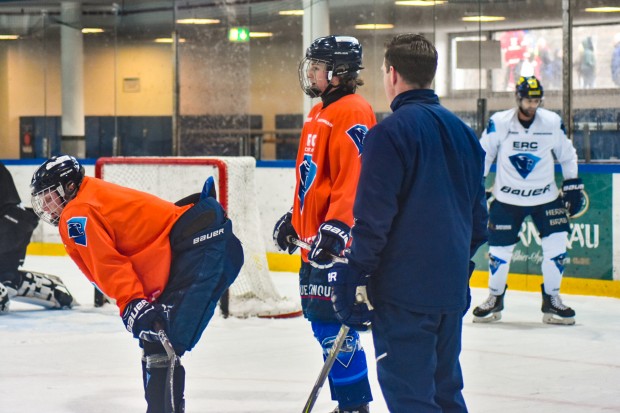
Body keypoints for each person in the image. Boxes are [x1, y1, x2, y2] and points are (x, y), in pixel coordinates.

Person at [325, 33, 488, 413]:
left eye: (384, 71)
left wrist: (356, 274)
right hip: (450, 290)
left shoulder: (389, 134)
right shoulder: (465, 135)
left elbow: (373, 218)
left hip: (404, 295)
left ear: (393, 74)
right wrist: (456, 267)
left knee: (410, 397)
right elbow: (480, 222)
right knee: (446, 394)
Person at [30, 154, 244, 413]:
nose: (47, 206)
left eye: (50, 196)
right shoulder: (89, 195)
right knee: (156, 341)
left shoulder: (77, 212)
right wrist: (135, 300)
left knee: (165, 343)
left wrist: (132, 300)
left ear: (69, 187)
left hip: (202, 249)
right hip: (200, 244)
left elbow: (107, 263)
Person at [272, 35, 376, 413]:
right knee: (324, 326)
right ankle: (351, 403)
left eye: (318, 66)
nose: (311, 72)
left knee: (334, 329)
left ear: (339, 72)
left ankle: (353, 406)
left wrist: (337, 226)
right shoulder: (318, 113)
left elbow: (354, 176)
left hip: (335, 247)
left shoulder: (352, 110)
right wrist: (295, 219)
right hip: (315, 242)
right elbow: (311, 180)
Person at [473, 76, 584, 326]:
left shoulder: (552, 122)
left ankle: (552, 298)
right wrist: (477, 185)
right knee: (499, 253)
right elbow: (484, 154)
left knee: (557, 248)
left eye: (536, 100)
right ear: (518, 98)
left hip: (546, 197)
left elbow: (567, 155)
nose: (532, 105)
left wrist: (573, 184)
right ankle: (495, 297)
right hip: (507, 198)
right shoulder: (499, 122)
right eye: (527, 100)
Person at [0, 160, 75, 313]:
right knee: (6, 275)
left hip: (11, 227)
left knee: (6, 275)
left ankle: (9, 279)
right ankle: (9, 278)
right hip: (15, 226)